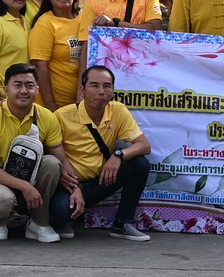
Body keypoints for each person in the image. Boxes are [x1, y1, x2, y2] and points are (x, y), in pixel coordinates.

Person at [0, 62, 79, 242]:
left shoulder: (47, 117)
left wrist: (76, 189)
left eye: (29, 85)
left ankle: (38, 223)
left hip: (30, 179)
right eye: (17, 85)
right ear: (6, 89)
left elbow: (61, 158)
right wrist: (25, 186)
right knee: (1, 200)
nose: (24, 91)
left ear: (37, 90)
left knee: (52, 164)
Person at [56, 63, 153, 240]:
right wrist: (74, 186)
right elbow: (54, 154)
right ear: (82, 90)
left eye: (107, 86)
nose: (101, 92)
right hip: (69, 184)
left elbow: (144, 145)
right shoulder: (62, 116)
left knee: (140, 164)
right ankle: (58, 221)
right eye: (94, 85)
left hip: (100, 181)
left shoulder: (117, 110)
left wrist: (118, 155)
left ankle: (122, 224)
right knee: (61, 212)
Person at [27, 0, 86, 109]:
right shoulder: (45, 23)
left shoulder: (84, 19)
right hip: (55, 106)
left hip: (83, 104)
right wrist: (51, 105)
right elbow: (40, 67)